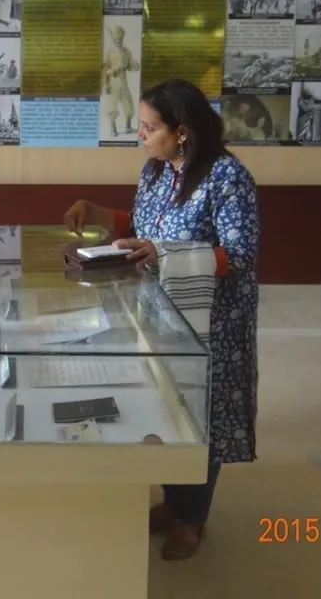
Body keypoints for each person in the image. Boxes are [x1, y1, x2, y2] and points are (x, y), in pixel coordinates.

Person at [62, 78, 259, 561]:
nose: (140, 137)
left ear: (183, 131)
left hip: (215, 322)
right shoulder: (155, 171)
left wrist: (164, 251)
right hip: (160, 310)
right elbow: (141, 225)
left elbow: (241, 253)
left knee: (204, 415)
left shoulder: (228, 178)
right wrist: (98, 214)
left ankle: (194, 519)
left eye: (149, 128)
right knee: (169, 404)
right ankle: (174, 501)